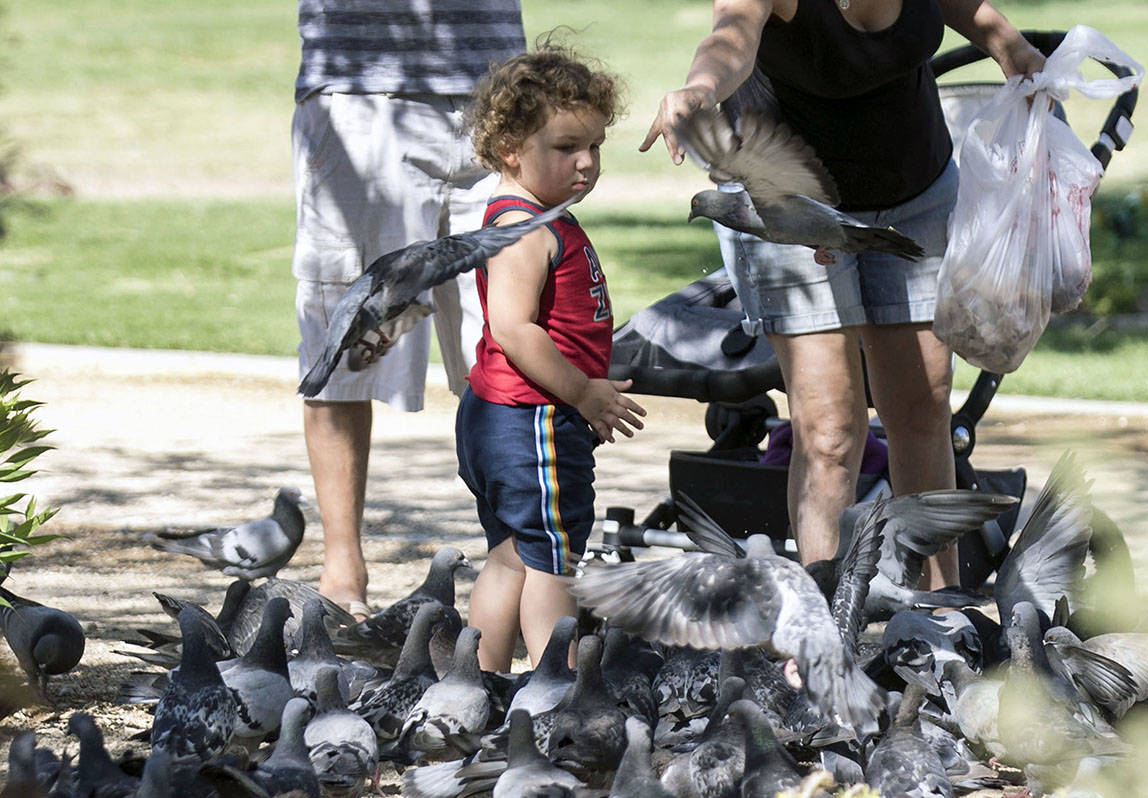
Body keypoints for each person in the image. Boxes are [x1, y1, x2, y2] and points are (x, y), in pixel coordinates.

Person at [641, 0, 1045, 587]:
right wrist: (699, 90)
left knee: (922, 407)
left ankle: (937, 617)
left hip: (916, 188)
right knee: (829, 428)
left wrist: (1011, 46)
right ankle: (825, 632)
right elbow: (732, 34)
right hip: (787, 211)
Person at [290, 2, 526, 618]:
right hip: (364, 91)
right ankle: (342, 573)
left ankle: (521, 571)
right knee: (351, 338)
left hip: (499, 91)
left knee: (516, 345)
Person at [456, 45, 647, 671]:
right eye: (567, 147)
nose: (587, 164)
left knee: (514, 554)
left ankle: (478, 680)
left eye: (595, 146)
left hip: (509, 417)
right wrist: (584, 392)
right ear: (511, 145)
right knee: (552, 561)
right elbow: (515, 330)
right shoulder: (525, 229)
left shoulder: (535, 217)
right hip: (533, 420)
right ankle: (555, 685)